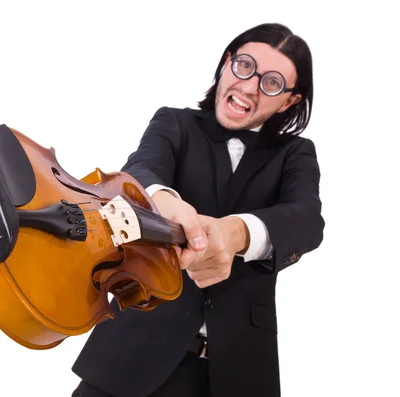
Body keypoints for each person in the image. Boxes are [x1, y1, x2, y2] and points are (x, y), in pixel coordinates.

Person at [70, 22, 325, 397]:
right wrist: (165, 203)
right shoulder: (174, 122)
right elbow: (142, 169)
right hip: (132, 354)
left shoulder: (296, 154)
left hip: (237, 371)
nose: (249, 86)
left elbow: (307, 220)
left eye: (271, 83)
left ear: (289, 101)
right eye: (244, 66)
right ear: (226, 63)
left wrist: (235, 233)